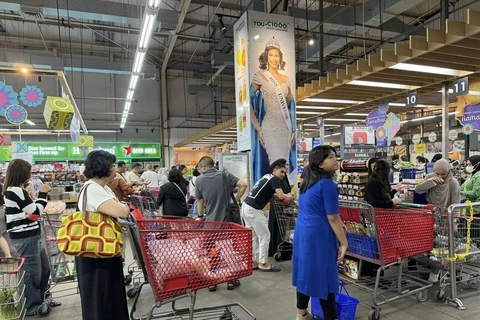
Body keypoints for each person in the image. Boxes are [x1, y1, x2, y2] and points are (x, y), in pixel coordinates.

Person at [292, 146, 348, 320]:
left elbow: (317, 209)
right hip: (319, 236)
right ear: (321, 164)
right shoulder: (328, 185)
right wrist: (344, 243)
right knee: (325, 276)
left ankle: (302, 315)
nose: (336, 159)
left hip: (303, 233)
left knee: (305, 273)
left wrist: (340, 223)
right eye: (331, 157)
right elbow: (332, 218)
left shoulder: (308, 182)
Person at [75, 150, 130, 320]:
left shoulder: (100, 187)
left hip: (101, 249)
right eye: (112, 165)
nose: (115, 169)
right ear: (103, 167)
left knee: (107, 297)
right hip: (96, 254)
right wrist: (124, 207)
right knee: (102, 298)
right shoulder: (93, 188)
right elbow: (121, 210)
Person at [3, 159, 56, 316]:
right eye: (29, 172)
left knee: (43, 269)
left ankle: (41, 300)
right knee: (32, 272)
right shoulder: (15, 191)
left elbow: (31, 214)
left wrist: (32, 205)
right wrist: (43, 194)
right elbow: (35, 212)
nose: (30, 175)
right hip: (25, 237)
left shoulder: (17, 191)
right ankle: (32, 306)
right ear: (22, 173)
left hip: (30, 235)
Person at [195, 156, 248, 291]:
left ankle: (212, 281)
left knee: (212, 250)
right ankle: (231, 280)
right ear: (213, 165)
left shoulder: (199, 180)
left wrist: (200, 216)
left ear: (202, 167)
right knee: (228, 250)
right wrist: (234, 201)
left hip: (211, 223)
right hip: (227, 221)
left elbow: (200, 201)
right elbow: (243, 185)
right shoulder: (225, 175)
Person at [250, 36, 296, 184]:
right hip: (269, 126)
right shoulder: (259, 76)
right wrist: (258, 127)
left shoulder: (286, 78)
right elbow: (248, 102)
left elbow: (290, 103)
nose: (274, 58)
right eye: (271, 55)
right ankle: (275, 194)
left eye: (277, 55)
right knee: (275, 164)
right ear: (266, 56)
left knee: (285, 163)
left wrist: (294, 128)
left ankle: (284, 193)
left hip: (285, 127)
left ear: (280, 57)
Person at [415, 159, 461, 283]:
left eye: (443, 174)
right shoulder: (430, 177)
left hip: (445, 218)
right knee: (431, 246)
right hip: (430, 217)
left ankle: (441, 271)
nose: (440, 176)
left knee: (444, 248)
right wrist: (431, 182)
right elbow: (418, 189)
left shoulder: (453, 183)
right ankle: (434, 269)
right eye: (437, 173)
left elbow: (456, 205)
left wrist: (455, 222)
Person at [242, 162, 292, 272]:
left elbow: (268, 193)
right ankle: (263, 263)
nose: (283, 175)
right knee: (265, 235)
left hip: (246, 206)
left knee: (253, 236)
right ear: (275, 170)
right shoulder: (275, 179)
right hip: (254, 209)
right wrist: (288, 195)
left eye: (285, 173)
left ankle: (252, 261)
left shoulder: (266, 176)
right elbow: (280, 196)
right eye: (281, 171)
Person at [267, 159, 292, 257]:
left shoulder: (284, 178)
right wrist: (286, 196)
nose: (286, 168)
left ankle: (284, 250)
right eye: (285, 165)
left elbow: (288, 190)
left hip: (285, 207)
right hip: (277, 206)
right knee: (276, 227)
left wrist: (288, 195)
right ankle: (274, 249)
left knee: (285, 229)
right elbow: (275, 194)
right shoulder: (273, 179)